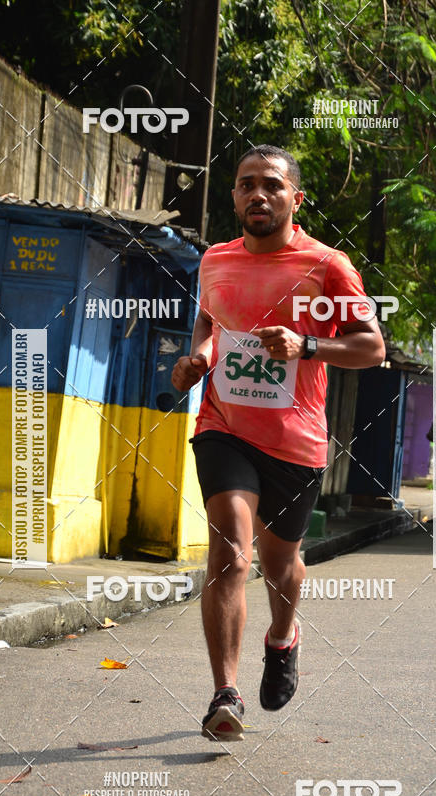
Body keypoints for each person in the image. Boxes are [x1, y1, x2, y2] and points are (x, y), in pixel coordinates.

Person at [171, 144, 385, 741]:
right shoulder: (215, 259)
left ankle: (282, 636)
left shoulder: (328, 266)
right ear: (234, 195)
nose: (256, 195)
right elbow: (212, 323)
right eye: (245, 185)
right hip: (223, 427)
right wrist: (198, 359)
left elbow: (373, 349)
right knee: (229, 555)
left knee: (279, 562)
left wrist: (307, 346)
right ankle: (225, 694)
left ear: (295, 197)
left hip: (295, 441)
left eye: (270, 185)